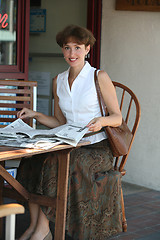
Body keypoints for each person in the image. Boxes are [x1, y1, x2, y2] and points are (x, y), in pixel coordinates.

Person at [16, 24, 123, 240]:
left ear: (87, 49)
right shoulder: (59, 81)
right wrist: (36, 115)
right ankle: (35, 225)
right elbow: (59, 122)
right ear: (62, 50)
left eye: (77, 48)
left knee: (55, 163)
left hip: (96, 147)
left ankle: (42, 229)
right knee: (32, 160)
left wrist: (101, 121)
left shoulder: (98, 77)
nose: (71, 53)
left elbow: (117, 117)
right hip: (69, 142)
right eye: (67, 48)